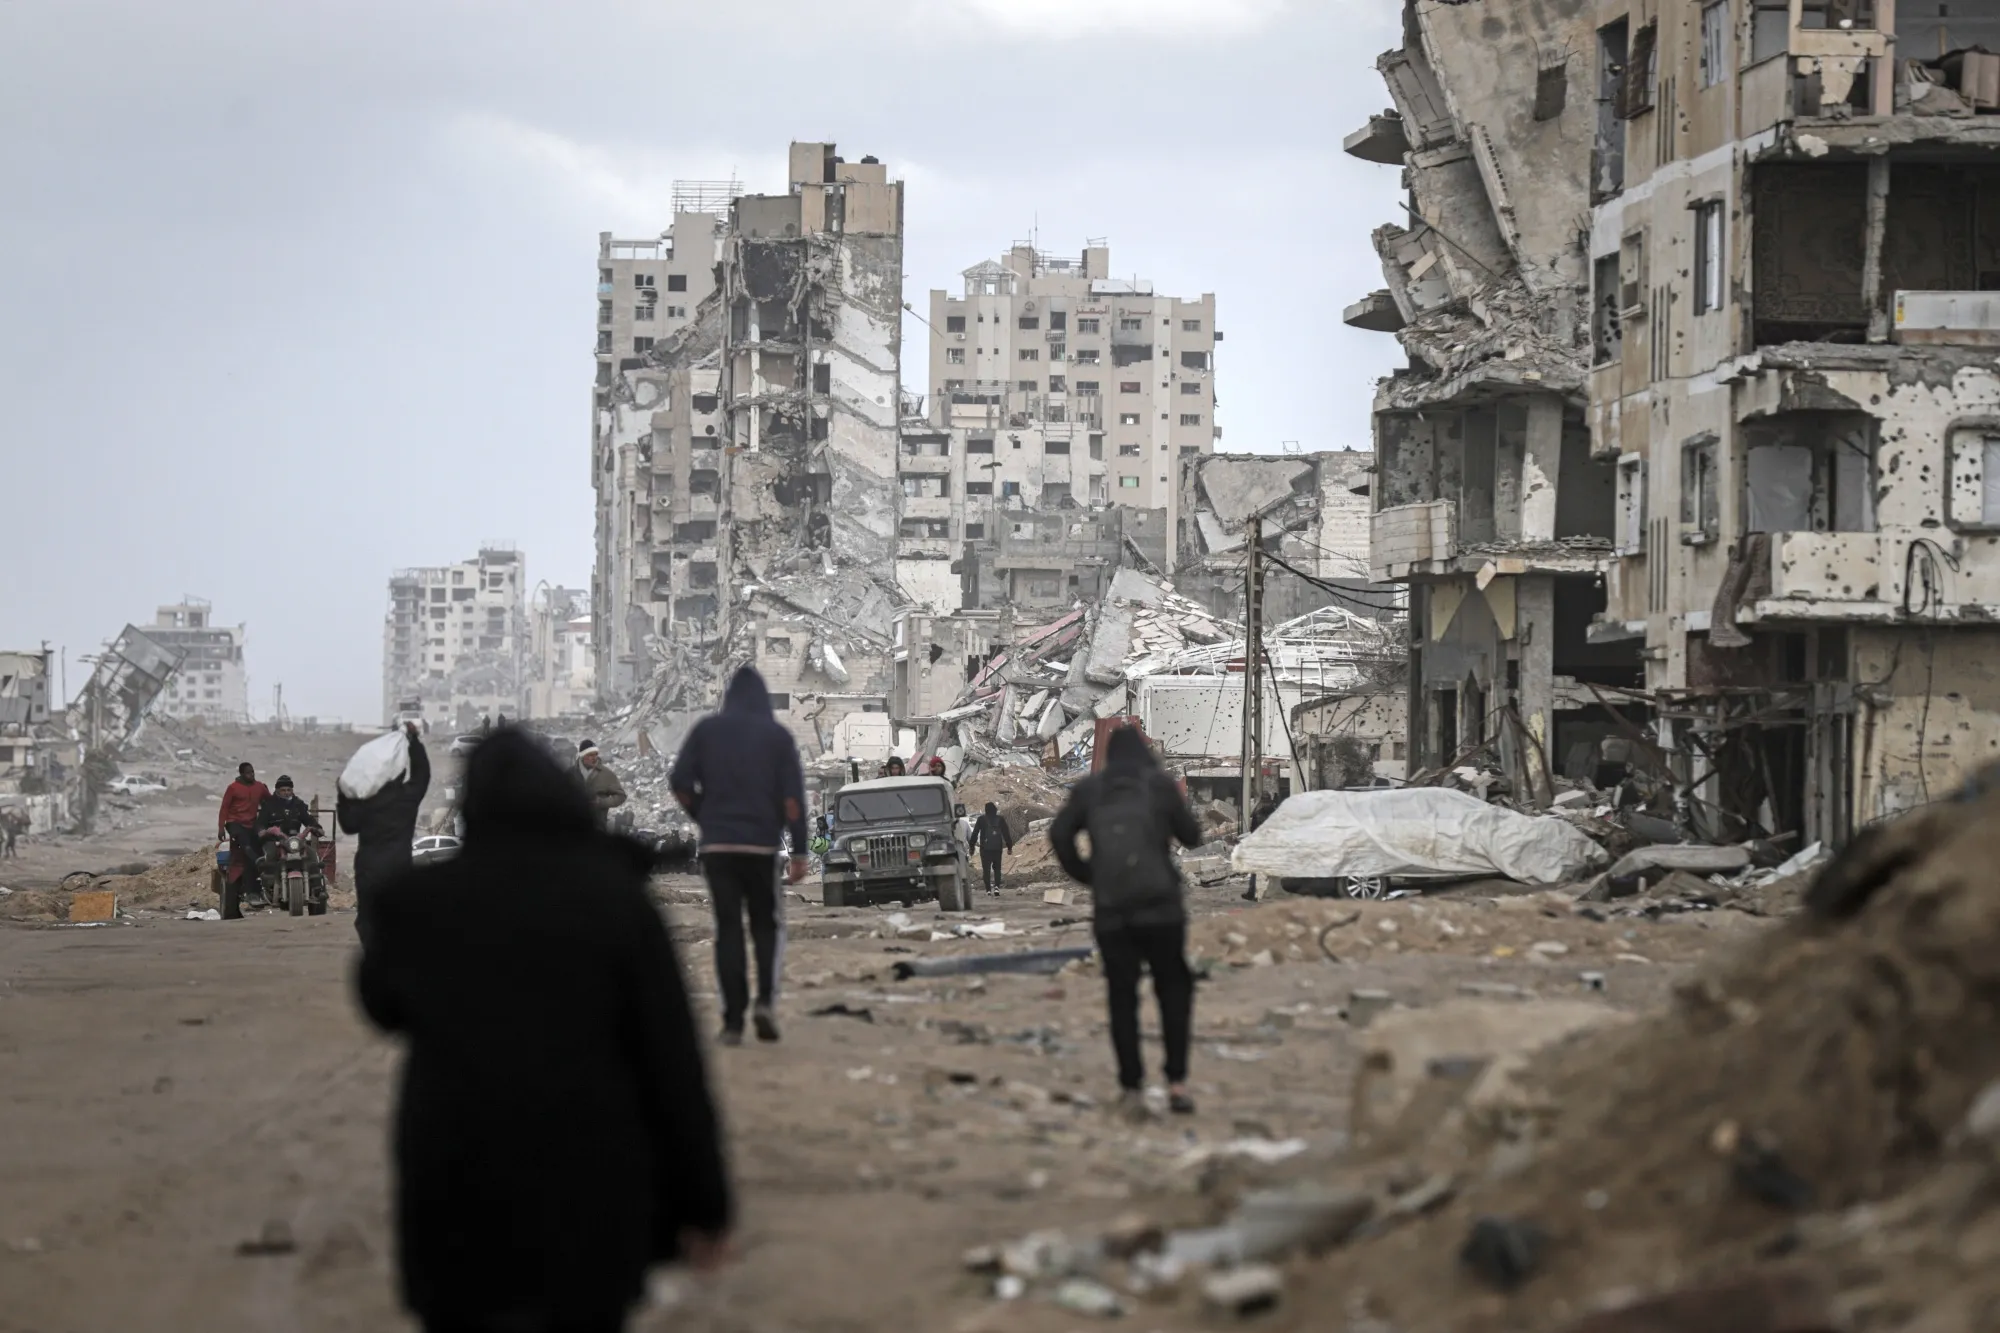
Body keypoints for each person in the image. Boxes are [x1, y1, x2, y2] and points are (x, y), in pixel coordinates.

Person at [357, 729, 732, 1333]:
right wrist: (705, 1204)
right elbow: (672, 1062)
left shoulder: (419, 905)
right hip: (588, 1189)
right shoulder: (616, 901)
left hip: (457, 1190)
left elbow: (380, 1003)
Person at [1050, 726, 1204, 1117]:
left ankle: (1131, 1086)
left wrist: (1088, 874)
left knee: (1122, 996)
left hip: (1113, 911)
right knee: (1173, 988)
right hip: (1162, 908)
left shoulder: (1090, 790)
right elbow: (1192, 836)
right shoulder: (1160, 786)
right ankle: (1177, 1082)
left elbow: (1059, 833)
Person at [670, 666, 808, 1048]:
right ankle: (764, 1001)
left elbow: (680, 782)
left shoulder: (706, 731)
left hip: (718, 848)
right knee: (765, 925)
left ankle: (732, 1021)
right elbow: (793, 800)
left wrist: (705, 816)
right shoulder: (777, 737)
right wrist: (798, 851)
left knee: (728, 928)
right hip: (761, 847)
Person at [338, 721, 431, 951]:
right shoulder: (407, 798)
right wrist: (414, 742)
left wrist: (344, 796)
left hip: (368, 868)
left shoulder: (365, 803)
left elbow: (349, 827)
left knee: (369, 920)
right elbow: (422, 775)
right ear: (399, 774)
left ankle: (375, 957)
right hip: (399, 868)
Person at [220, 762, 272, 908]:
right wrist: (221, 828)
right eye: (248, 773)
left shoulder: (259, 787)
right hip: (235, 823)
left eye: (253, 772)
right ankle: (257, 863)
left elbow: (271, 800)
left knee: (261, 842)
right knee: (246, 847)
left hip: (251, 824)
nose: (252, 775)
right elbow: (224, 808)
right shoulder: (233, 788)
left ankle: (262, 869)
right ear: (242, 774)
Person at [576, 741, 627, 830]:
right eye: (590, 755)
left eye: (596, 754)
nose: (594, 758)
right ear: (582, 756)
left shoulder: (606, 774)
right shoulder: (571, 773)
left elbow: (621, 796)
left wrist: (601, 802)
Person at [970, 802, 1015, 895]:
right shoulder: (1000, 819)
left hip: (985, 849)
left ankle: (988, 890)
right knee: (997, 869)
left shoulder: (981, 819)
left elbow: (975, 833)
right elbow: (1006, 833)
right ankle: (997, 888)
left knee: (986, 869)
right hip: (997, 848)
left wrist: (972, 846)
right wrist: (1009, 847)